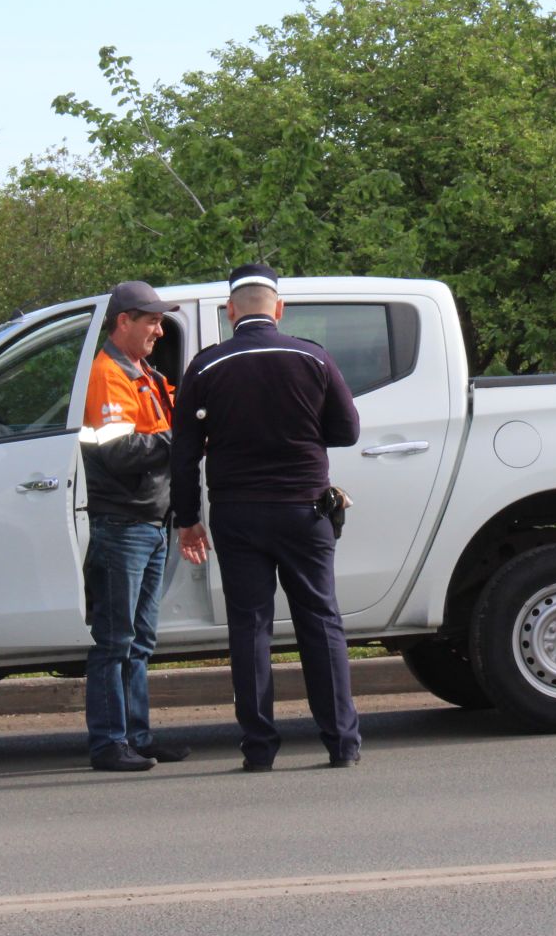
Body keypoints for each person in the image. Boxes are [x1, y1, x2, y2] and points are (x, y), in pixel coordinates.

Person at [172, 262, 363, 771]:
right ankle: (341, 744)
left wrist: (187, 518)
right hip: (305, 510)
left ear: (230, 310)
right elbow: (347, 432)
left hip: (238, 515)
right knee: (321, 622)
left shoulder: (207, 367)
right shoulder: (313, 358)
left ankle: (259, 748)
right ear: (278, 309)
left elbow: (184, 452)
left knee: (250, 628)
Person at [81, 280, 190, 773]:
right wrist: (177, 439)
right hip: (123, 525)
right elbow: (119, 452)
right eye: (150, 319)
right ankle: (109, 743)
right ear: (123, 320)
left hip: (148, 522)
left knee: (139, 640)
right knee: (116, 640)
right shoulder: (109, 374)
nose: (158, 328)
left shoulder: (141, 372)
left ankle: (136, 737)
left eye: (159, 320)